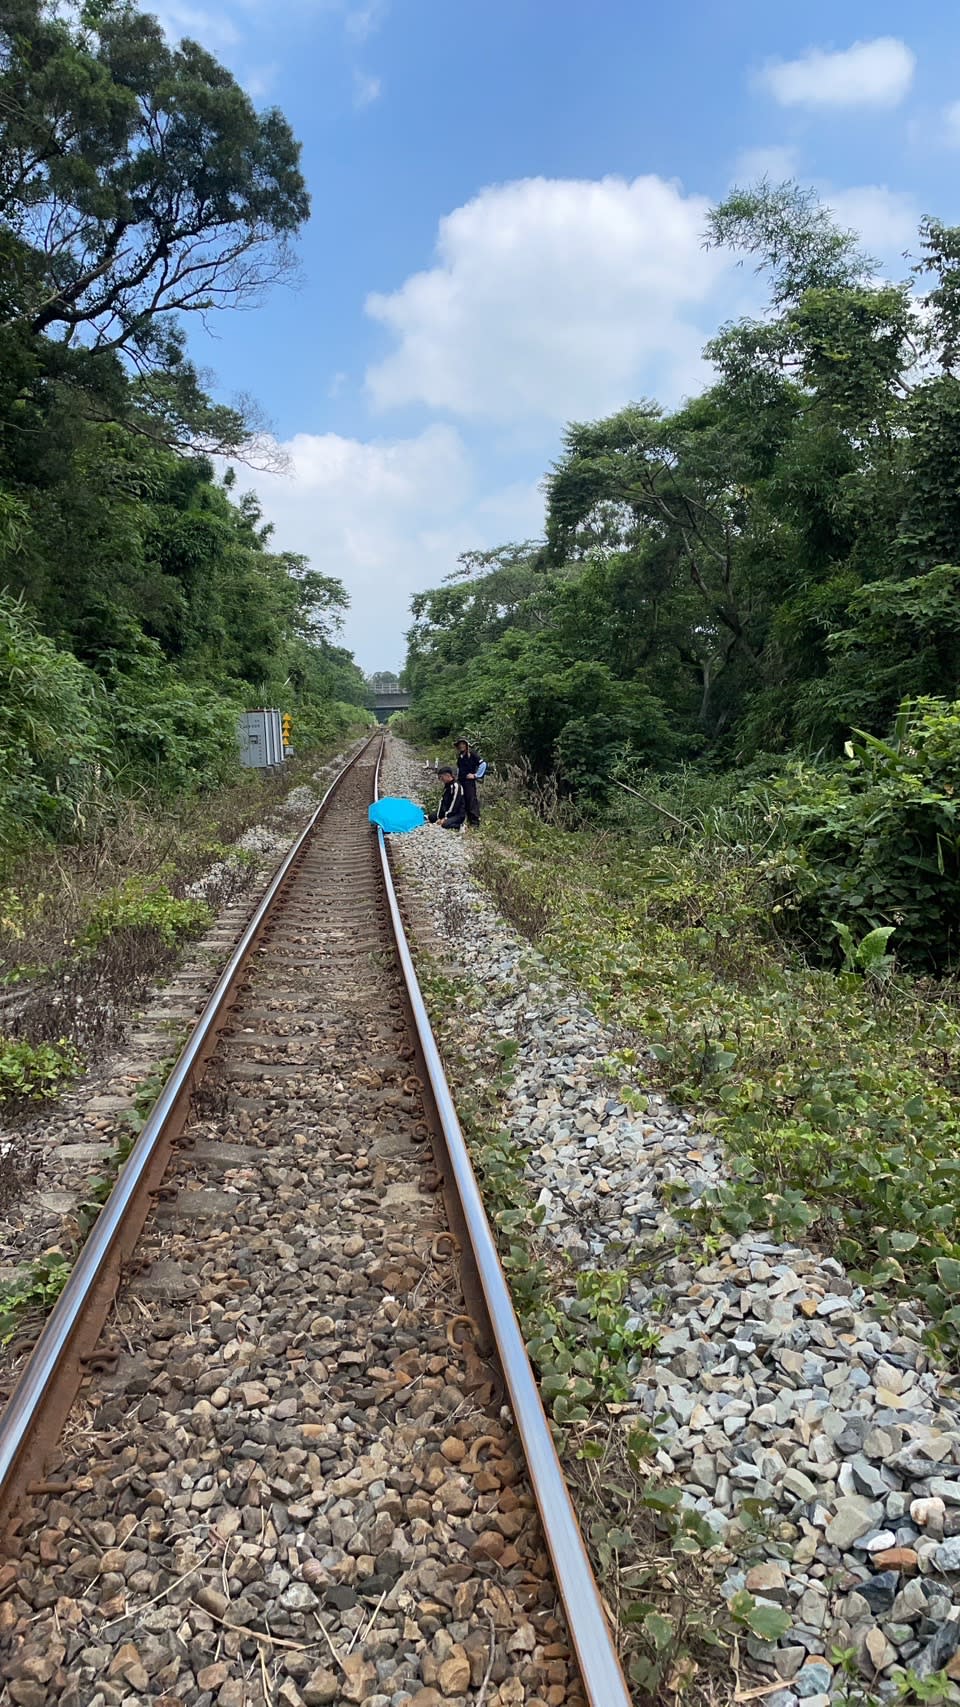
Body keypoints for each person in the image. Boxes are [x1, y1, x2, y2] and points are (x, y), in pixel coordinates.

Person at [455, 737, 484, 829]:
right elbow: (459, 768)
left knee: (471, 801)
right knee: (463, 801)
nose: (461, 746)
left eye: (463, 744)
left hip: (469, 782)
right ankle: (467, 821)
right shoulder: (460, 756)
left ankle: (475, 823)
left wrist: (476, 775)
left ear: (467, 745)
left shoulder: (472, 755)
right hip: (461, 781)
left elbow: (483, 764)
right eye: (460, 744)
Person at [429, 766, 466, 830]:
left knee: (445, 824)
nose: (441, 779)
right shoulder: (447, 787)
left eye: (441, 777)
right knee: (431, 817)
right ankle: (442, 819)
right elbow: (442, 801)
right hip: (446, 811)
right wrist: (439, 816)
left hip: (457, 814)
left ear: (447, 775)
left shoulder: (456, 786)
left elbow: (454, 804)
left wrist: (445, 818)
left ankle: (460, 826)